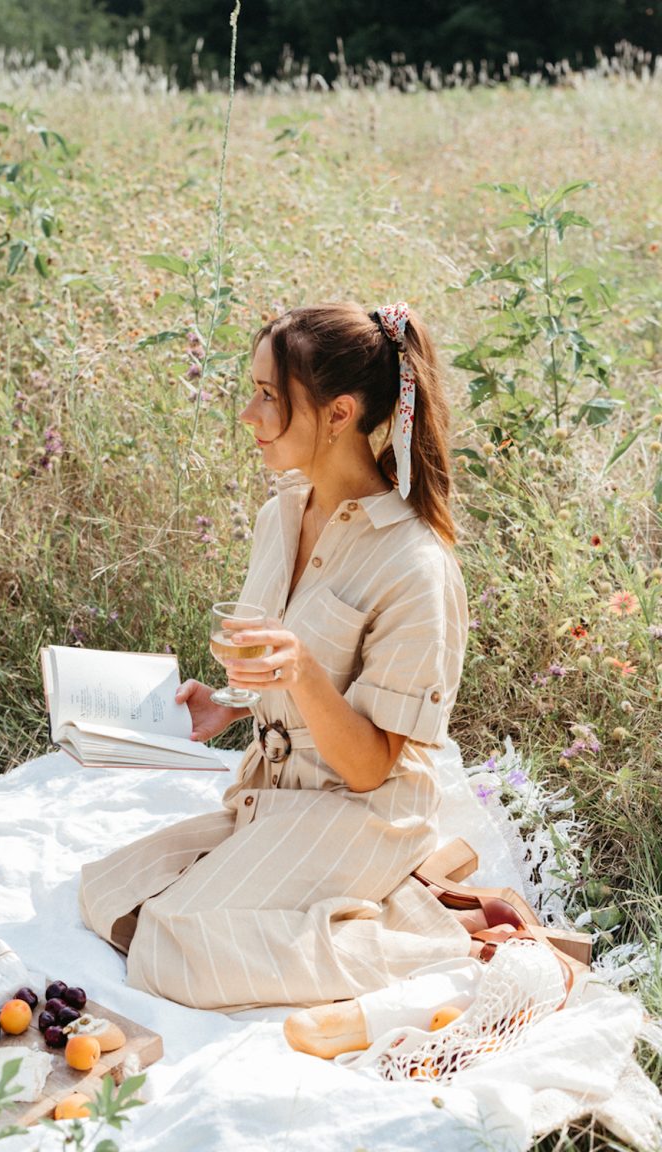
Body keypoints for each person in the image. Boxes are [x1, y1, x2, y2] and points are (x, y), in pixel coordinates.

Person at [79, 300, 472, 1012]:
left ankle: (443, 948)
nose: (248, 415)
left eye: (268, 396)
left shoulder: (415, 566)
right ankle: (363, 909)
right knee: (107, 895)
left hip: (364, 812)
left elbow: (370, 766)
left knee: (173, 947)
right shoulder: (280, 515)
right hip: (275, 796)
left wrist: (301, 672)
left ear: (339, 413)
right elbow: (275, 664)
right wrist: (228, 703)